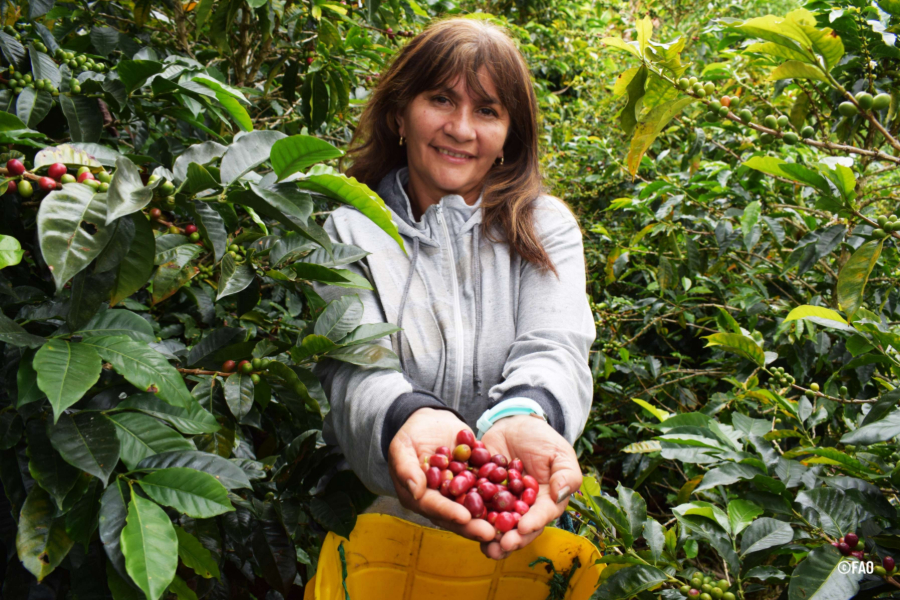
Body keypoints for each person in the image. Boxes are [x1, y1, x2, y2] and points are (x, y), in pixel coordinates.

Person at [312, 16, 596, 561]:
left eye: (487, 110)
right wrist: (409, 417)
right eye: (441, 99)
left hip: (519, 524)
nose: (461, 129)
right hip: (378, 527)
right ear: (399, 113)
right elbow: (355, 369)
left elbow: (556, 348)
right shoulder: (349, 233)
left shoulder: (543, 227)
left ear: (510, 134)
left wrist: (523, 416)